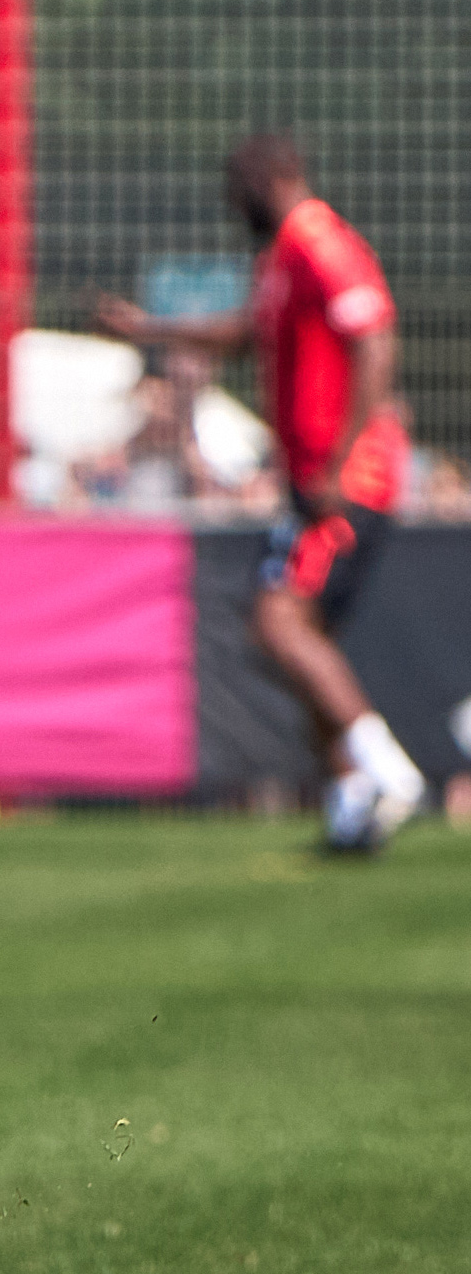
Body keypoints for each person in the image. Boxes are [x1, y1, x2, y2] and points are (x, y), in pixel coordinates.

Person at [96, 133, 428, 850]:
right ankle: (352, 805)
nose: (231, 205)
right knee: (302, 637)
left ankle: (383, 771)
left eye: (235, 191)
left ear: (265, 181)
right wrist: (150, 328)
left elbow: (374, 337)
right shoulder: (280, 259)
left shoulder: (319, 241)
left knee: (277, 623)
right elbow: (245, 332)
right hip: (319, 477)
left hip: (346, 478)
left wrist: (339, 463)